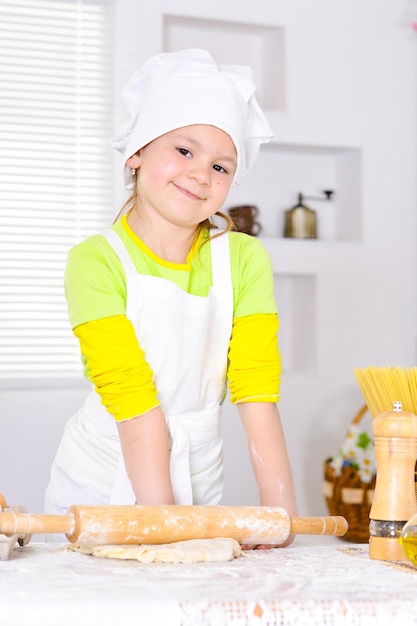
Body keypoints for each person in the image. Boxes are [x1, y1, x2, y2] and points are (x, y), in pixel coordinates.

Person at [45, 48, 297, 547]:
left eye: (222, 166)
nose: (202, 175)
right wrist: (167, 531)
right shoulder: (95, 261)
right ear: (136, 153)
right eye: (184, 151)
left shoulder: (244, 260)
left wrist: (283, 520)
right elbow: (134, 401)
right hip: (102, 480)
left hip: (199, 481)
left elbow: (256, 394)